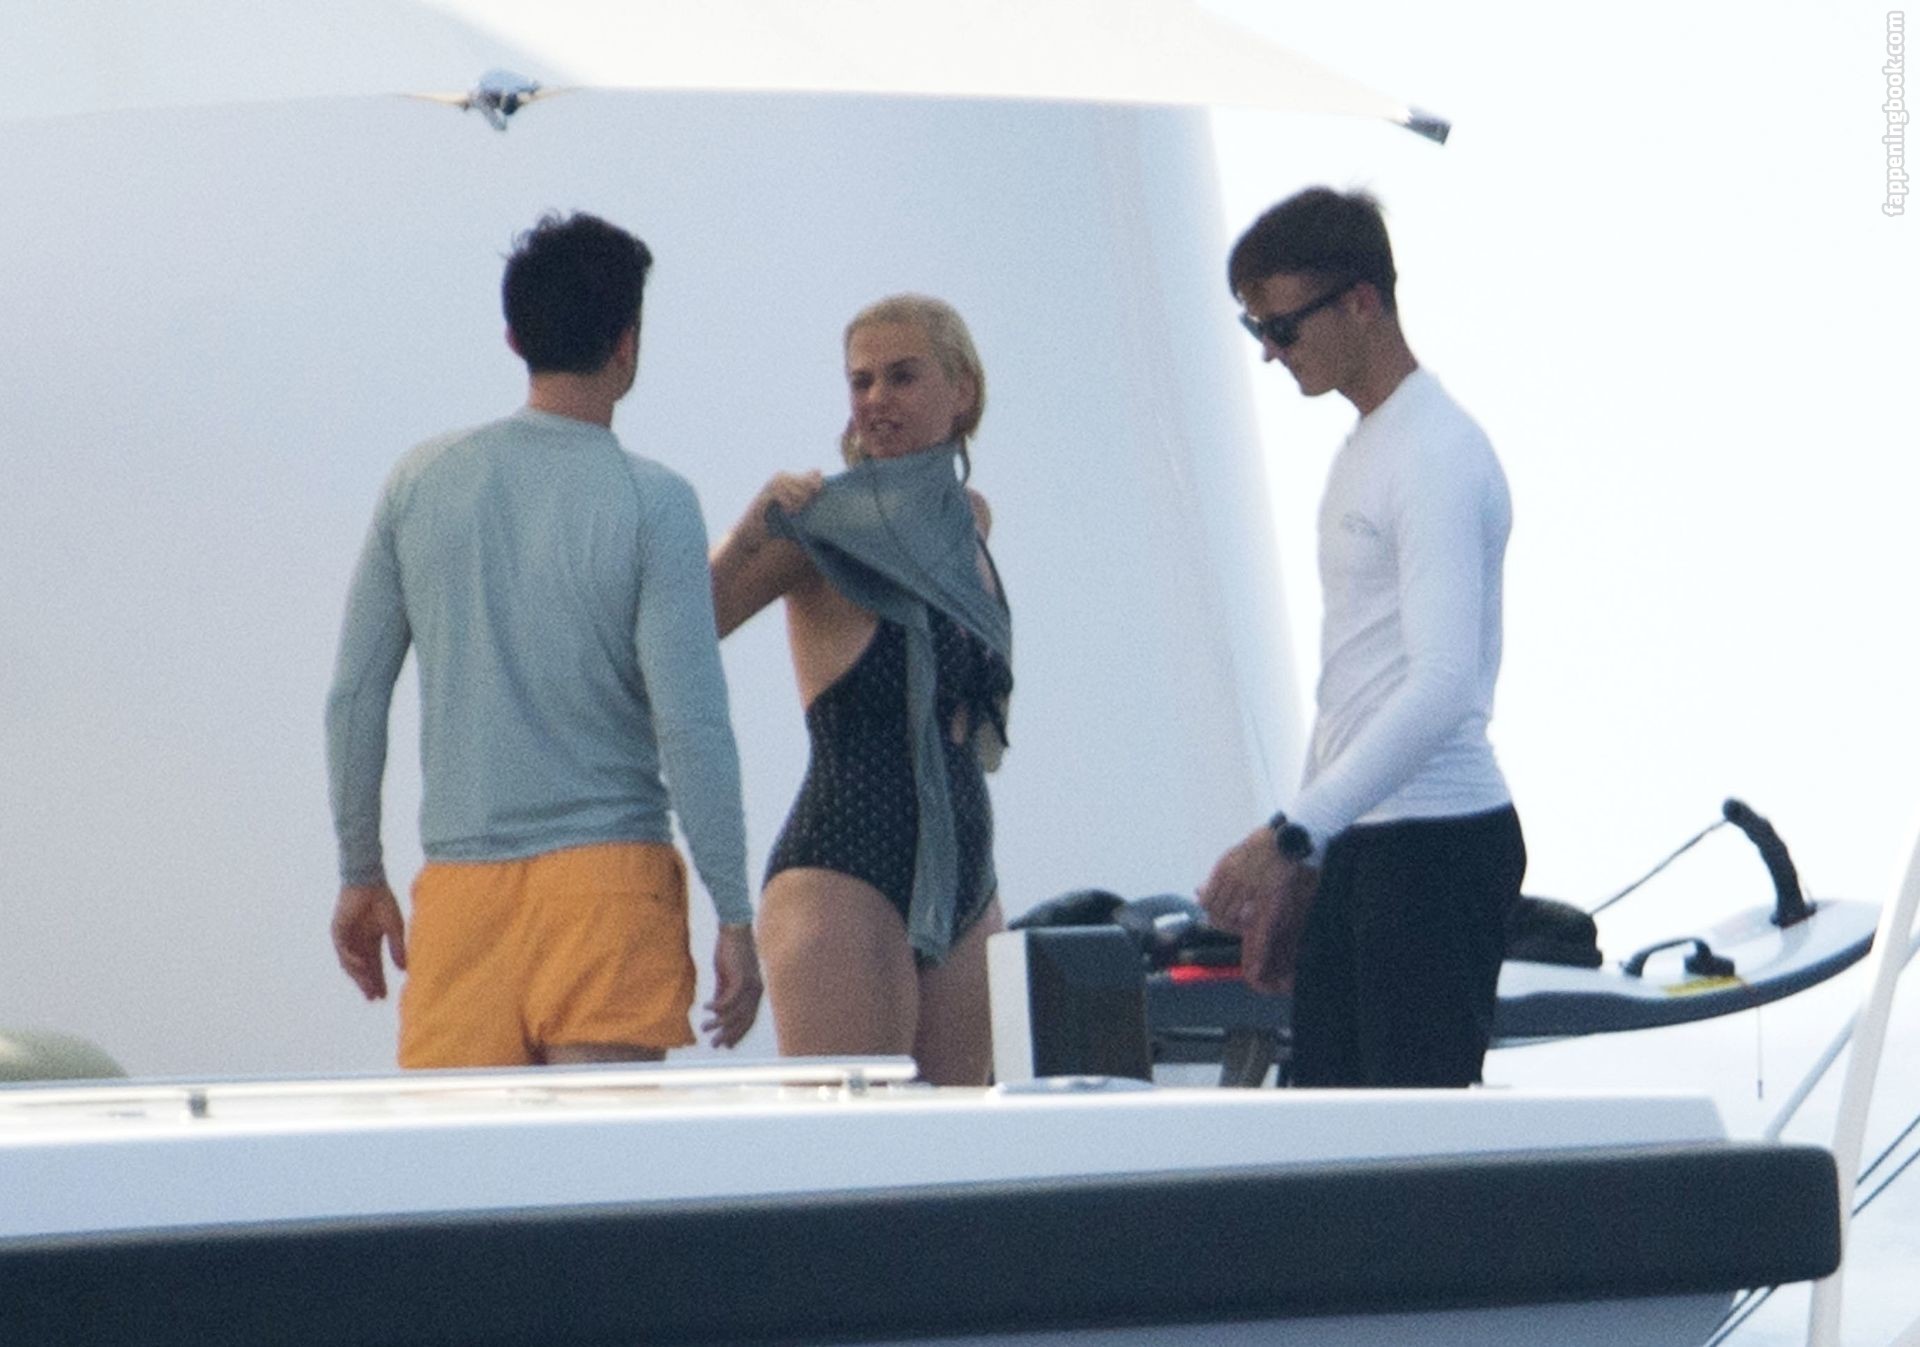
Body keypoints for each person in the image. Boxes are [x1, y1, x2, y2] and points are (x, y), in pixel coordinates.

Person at [324, 212, 762, 1068]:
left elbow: (354, 698)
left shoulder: (420, 482)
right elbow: (692, 723)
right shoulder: (655, 502)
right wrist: (734, 912)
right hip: (609, 886)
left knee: (473, 1157)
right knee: (595, 1156)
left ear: (515, 337)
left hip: (462, 897)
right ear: (627, 343)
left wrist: (360, 870)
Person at [1198, 187, 1525, 1089]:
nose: (1269, 351)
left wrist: (1290, 837)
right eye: (1255, 328)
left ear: (1361, 302)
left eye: (1281, 326)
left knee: (1404, 1147)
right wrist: (1310, 857)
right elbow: (1351, 680)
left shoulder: (1435, 452)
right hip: (1368, 842)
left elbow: (1443, 684)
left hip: (1438, 842)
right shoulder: (1369, 448)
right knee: (1335, 1134)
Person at [709, 294, 1012, 1086]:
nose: (877, 399)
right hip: (844, 861)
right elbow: (683, 629)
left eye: (902, 377)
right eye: (861, 381)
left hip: (965, 863)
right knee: (855, 1142)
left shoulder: (971, 520)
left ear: (962, 389)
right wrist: (748, 532)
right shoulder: (821, 524)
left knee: (960, 1141)